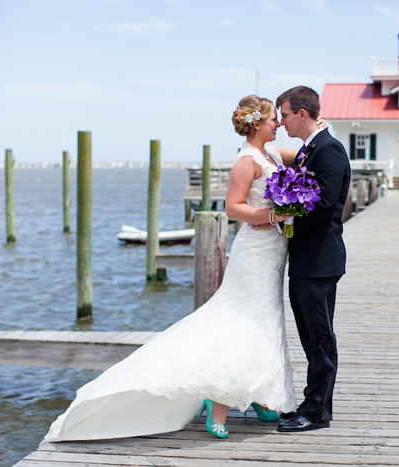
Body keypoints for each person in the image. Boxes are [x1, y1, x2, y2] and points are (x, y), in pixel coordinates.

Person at [43, 95, 302, 442]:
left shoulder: (272, 154)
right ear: (257, 123)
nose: (278, 125)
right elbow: (233, 209)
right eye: (273, 120)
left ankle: (255, 393)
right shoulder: (247, 160)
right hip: (255, 252)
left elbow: (306, 154)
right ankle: (219, 400)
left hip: (273, 252)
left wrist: (316, 135)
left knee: (266, 321)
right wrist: (273, 215)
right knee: (240, 321)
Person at [274, 86, 351, 432]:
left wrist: (283, 215)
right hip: (306, 259)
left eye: (284, 114)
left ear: (301, 114)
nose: (281, 121)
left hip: (320, 259)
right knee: (309, 336)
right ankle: (312, 403)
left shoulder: (329, 151)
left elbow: (323, 206)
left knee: (320, 337)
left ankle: (316, 412)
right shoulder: (310, 149)